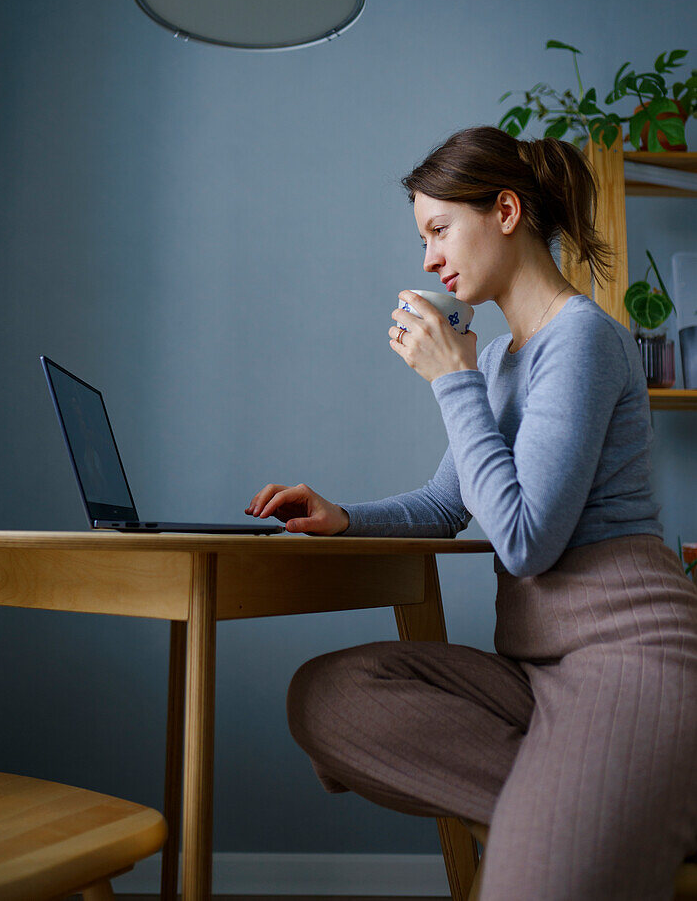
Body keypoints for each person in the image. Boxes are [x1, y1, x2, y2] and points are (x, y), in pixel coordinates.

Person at [245, 125, 697, 900]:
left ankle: (634, 799)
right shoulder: (497, 358)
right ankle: (633, 805)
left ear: (507, 213)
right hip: (535, 673)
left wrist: (449, 383)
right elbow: (447, 503)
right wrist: (342, 515)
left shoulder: (582, 338)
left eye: (438, 229)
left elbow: (523, 541)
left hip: (629, 659)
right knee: (325, 696)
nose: (427, 258)